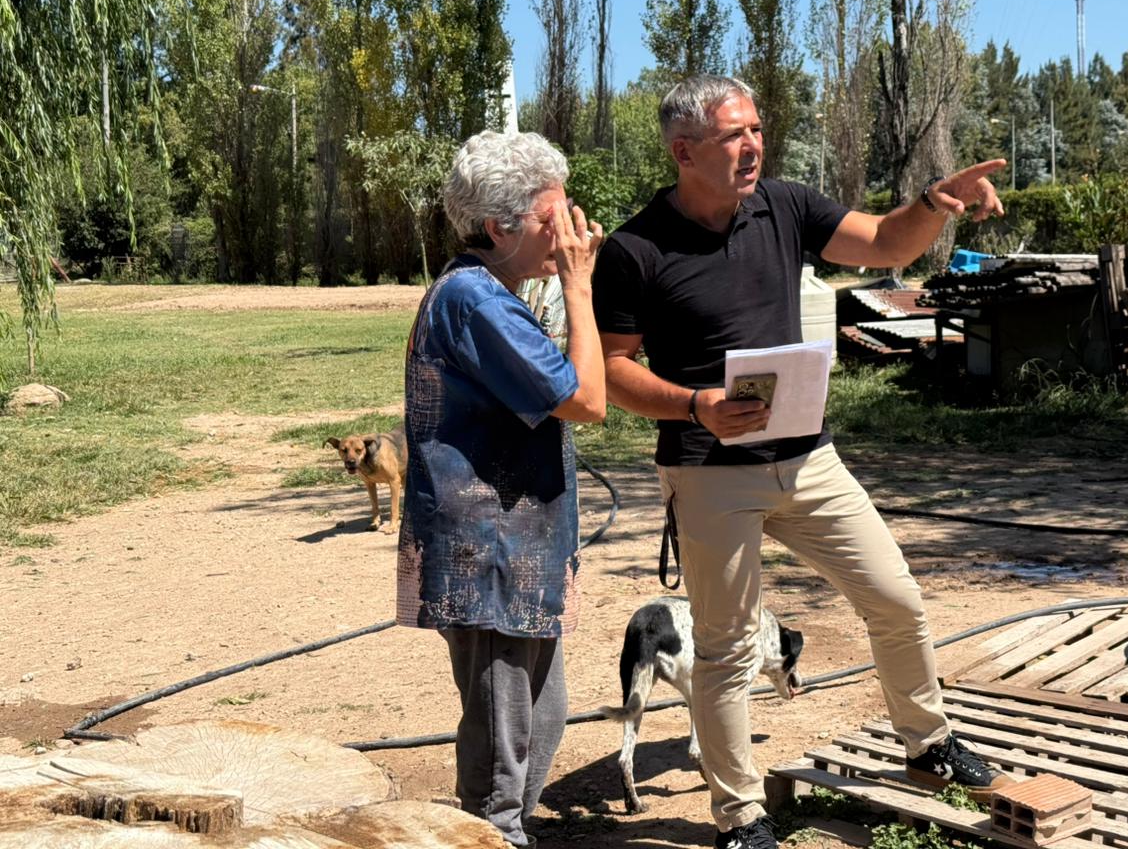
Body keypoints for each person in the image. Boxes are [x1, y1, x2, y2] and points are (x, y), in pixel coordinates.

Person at [591, 75, 1011, 849]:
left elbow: (883, 243)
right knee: (725, 647)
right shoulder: (633, 249)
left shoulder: (784, 206)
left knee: (896, 598)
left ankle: (929, 745)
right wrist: (696, 405)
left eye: (757, 129)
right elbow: (612, 370)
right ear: (684, 151)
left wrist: (933, 202)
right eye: (734, 135)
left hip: (808, 459)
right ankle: (741, 817)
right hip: (708, 469)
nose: (753, 145)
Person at [397, 130, 605, 848]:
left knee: (540, 718)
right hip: (487, 556)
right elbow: (586, 399)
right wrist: (579, 287)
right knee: (500, 755)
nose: (570, 232)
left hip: (518, 552)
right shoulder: (473, 301)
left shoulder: (495, 296)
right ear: (500, 227)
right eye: (555, 217)